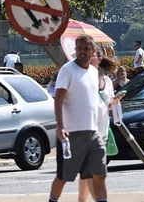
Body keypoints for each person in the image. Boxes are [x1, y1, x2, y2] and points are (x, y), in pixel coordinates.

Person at [48, 34, 108, 202]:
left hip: (93, 133)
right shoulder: (67, 70)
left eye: (86, 48)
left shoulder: (94, 73)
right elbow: (58, 100)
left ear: (93, 50)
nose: (82, 52)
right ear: (75, 50)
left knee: (99, 174)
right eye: (79, 48)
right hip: (71, 134)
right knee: (63, 177)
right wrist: (60, 127)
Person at [78, 52, 122, 202]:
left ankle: (82, 200)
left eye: (92, 55)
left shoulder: (107, 82)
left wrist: (115, 101)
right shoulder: (82, 80)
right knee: (95, 171)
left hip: (102, 131)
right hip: (86, 132)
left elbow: (106, 105)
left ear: (99, 59)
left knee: (88, 172)